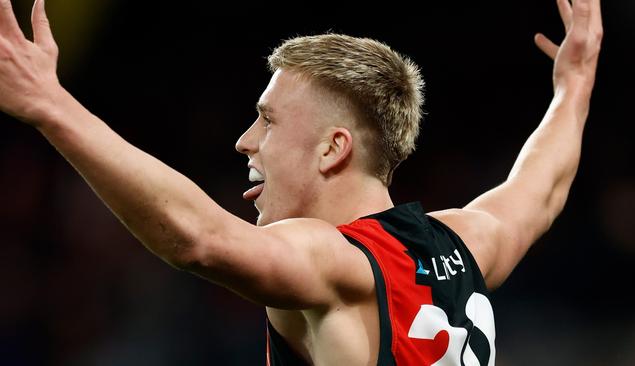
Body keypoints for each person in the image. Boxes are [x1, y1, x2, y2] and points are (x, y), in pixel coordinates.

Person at [0, 0, 602, 365]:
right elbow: (540, 189)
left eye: (267, 119)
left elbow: (197, 238)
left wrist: (50, 105)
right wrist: (573, 87)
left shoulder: (336, 261)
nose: (245, 141)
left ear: (332, 148)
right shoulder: (467, 243)